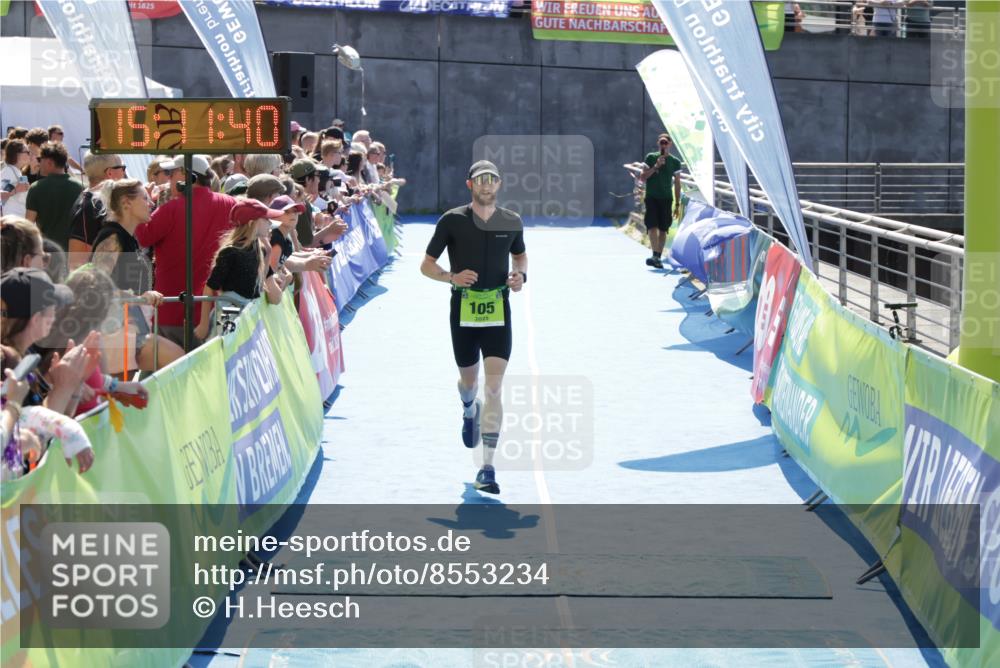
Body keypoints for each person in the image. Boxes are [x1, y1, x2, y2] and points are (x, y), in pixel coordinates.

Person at [420, 160, 527, 495]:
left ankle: (488, 466)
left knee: (494, 388)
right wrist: (451, 277)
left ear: (499, 184)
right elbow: (426, 265)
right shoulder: (452, 220)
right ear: (470, 185)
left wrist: (520, 276)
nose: (486, 185)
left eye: (491, 180)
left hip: (498, 310)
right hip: (463, 310)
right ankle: (469, 408)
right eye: (480, 180)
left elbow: (520, 257)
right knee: (470, 382)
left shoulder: (511, 221)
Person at [133, 154, 236, 346]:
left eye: (171, 173)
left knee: (167, 372)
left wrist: (142, 207)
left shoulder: (171, 208)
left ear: (186, 176)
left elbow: (143, 237)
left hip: (173, 312)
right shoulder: (230, 204)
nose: (167, 179)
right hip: (217, 310)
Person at [90, 179, 184, 370]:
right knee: (179, 362)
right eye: (144, 198)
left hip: (132, 326)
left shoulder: (128, 238)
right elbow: (96, 288)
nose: (150, 204)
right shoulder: (112, 238)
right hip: (114, 328)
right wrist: (139, 298)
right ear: (126, 203)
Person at [194, 200, 293, 340]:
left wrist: (268, 252)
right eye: (266, 220)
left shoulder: (259, 249)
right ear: (252, 223)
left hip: (247, 312)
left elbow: (260, 287)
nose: (270, 224)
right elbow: (210, 287)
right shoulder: (230, 252)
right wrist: (203, 324)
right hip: (229, 310)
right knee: (224, 346)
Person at [68, 151, 125, 268]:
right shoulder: (89, 206)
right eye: (122, 168)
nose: (124, 172)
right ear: (110, 172)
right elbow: (76, 262)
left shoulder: (99, 201)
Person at [24, 142, 84, 250]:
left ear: (49, 162)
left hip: (47, 250)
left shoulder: (36, 188)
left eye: (39, 159)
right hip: (74, 250)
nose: (38, 164)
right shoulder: (80, 187)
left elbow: (28, 224)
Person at [638, 133, 682, 269]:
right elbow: (643, 177)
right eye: (661, 143)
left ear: (670, 144)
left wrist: (677, 203)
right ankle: (655, 255)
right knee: (651, 226)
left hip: (666, 198)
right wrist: (656, 166)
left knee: (663, 228)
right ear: (658, 143)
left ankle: (657, 256)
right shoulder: (651, 157)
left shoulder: (675, 162)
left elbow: (678, 183)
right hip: (652, 196)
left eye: (666, 142)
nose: (664, 145)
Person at [1, 139, 31, 218]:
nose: (29, 154)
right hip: (12, 222)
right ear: (17, 154)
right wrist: (16, 190)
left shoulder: (16, 171)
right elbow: (1, 195)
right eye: (27, 152)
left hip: (18, 221)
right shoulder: (8, 171)